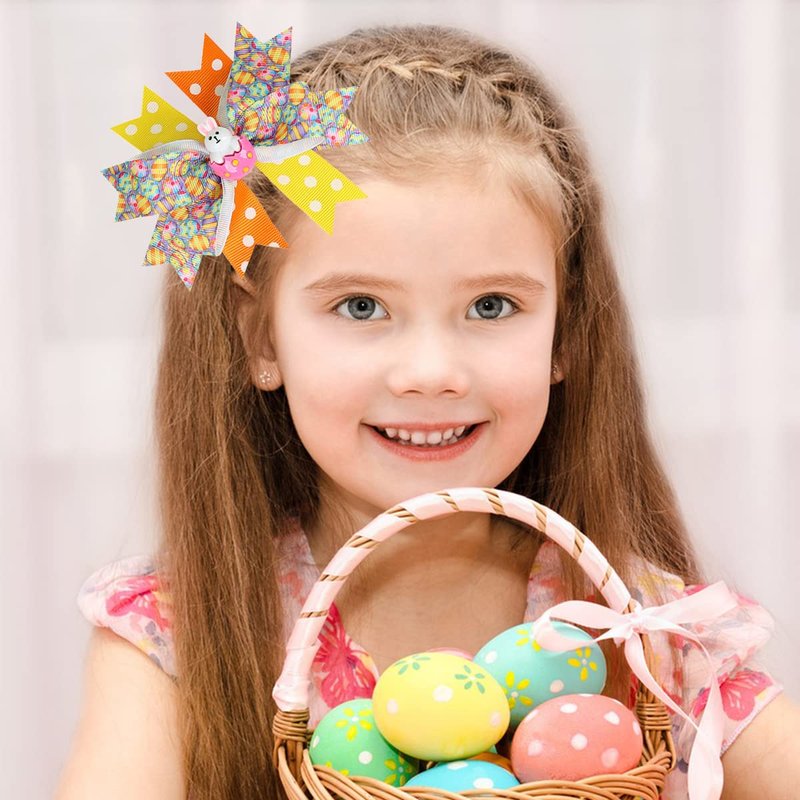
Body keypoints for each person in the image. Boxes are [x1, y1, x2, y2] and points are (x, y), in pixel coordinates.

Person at [56, 22, 799, 800]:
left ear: (565, 334)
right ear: (260, 338)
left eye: (491, 305)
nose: (431, 373)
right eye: (360, 306)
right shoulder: (177, 632)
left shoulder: (649, 633)